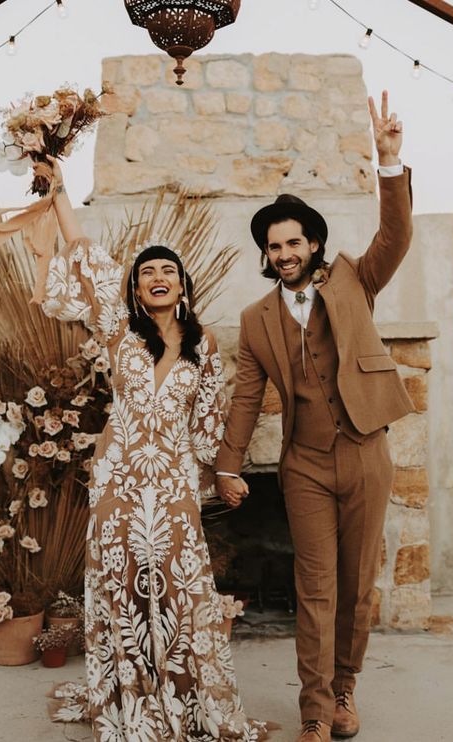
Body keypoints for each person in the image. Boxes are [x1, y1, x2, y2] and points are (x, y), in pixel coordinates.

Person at [37, 156, 269, 741]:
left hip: (171, 478)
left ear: (181, 284)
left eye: (168, 269)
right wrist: (61, 190)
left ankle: (182, 695)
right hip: (118, 473)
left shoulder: (204, 344)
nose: (158, 276)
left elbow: (211, 419)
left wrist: (221, 475)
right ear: (137, 290)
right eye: (148, 272)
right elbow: (84, 255)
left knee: (173, 579)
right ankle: (127, 696)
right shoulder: (118, 330)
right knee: (121, 579)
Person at [214, 91, 414, 742]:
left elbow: (397, 235)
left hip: (365, 454)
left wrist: (389, 163)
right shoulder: (255, 321)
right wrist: (228, 466)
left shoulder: (356, 277)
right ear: (267, 255)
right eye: (274, 247)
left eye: (294, 241)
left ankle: (347, 691)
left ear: (313, 242)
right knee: (316, 591)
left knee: (357, 590)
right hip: (304, 464)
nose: (285, 253)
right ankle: (315, 714)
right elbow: (246, 397)